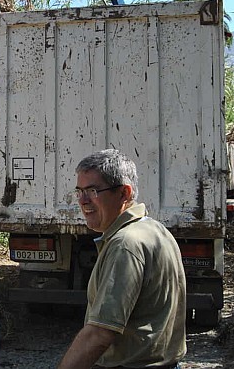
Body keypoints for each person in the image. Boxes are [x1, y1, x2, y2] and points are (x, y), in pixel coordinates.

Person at [58, 149, 186, 369]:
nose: (83, 201)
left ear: (124, 194)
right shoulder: (155, 230)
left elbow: (99, 333)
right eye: (79, 191)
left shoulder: (126, 244)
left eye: (93, 191)